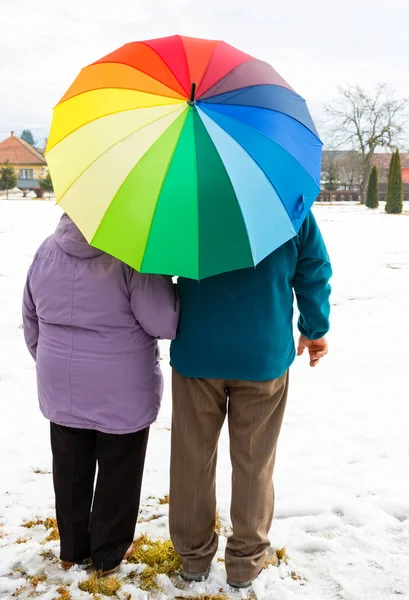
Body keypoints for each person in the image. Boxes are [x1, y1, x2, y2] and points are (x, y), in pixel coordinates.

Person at [169, 211, 332, 589]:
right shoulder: (289, 205)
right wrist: (315, 328)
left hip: (198, 349)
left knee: (192, 458)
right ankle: (245, 563)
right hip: (263, 353)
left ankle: (193, 558)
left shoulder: (185, 204)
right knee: (255, 461)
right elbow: (314, 268)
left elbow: (158, 272)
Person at [22, 213, 179, 574]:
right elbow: (163, 323)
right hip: (121, 387)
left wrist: (51, 362)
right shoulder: (132, 256)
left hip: (61, 382)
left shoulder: (46, 250)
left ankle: (72, 550)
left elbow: (31, 317)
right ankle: (106, 556)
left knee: (70, 467)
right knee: (118, 471)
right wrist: (164, 282)